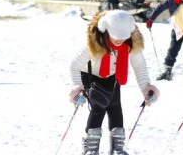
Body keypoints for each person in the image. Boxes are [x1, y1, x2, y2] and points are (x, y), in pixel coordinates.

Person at [69, 10, 160, 155]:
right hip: (90, 75)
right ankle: (90, 148)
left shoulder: (130, 44)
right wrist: (76, 86)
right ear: (107, 29)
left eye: (123, 37)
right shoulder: (95, 42)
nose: (119, 40)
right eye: (116, 36)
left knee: (115, 106)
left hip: (112, 76)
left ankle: (117, 148)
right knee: (98, 106)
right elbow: (74, 65)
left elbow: (140, 67)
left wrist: (146, 87)